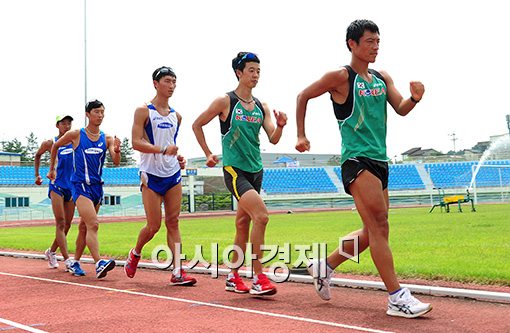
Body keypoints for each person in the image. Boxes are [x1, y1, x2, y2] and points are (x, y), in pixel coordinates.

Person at [295, 19, 432, 318]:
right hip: (357, 160)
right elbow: (303, 95)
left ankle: (325, 266)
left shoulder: (382, 78)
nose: (375, 47)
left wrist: (415, 98)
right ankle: (396, 296)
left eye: (378, 41)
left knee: (375, 230)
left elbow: (401, 108)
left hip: (381, 161)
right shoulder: (340, 77)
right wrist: (301, 134)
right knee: (379, 225)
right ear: (352, 44)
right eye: (369, 41)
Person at [192, 52, 287, 295]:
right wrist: (208, 153)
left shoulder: (260, 106)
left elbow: (273, 139)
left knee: (243, 224)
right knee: (262, 217)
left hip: (256, 169)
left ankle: (233, 276)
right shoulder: (225, 101)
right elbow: (197, 124)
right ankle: (258, 277)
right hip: (235, 170)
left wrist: (282, 126)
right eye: (251, 70)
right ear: (239, 73)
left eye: (258, 71)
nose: (256, 75)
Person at [124, 66, 196, 286]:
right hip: (151, 176)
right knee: (153, 226)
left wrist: (177, 157)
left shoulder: (177, 116)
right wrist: (162, 151)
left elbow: (170, 144)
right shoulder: (143, 111)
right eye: (167, 81)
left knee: (173, 222)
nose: (171, 86)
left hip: (172, 173)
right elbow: (137, 142)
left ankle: (177, 272)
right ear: (155, 83)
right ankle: (135, 253)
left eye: (174, 81)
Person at [48, 99, 120, 279]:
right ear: (88, 114)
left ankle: (76, 261)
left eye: (102, 112)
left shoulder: (107, 138)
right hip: (79, 186)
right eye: (96, 112)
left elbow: (116, 162)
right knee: (93, 224)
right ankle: (98, 263)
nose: (100, 115)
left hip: (97, 187)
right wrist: (52, 168)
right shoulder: (76, 135)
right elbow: (56, 145)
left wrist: (117, 151)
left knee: (83, 227)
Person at [35, 115, 76, 270]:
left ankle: (51, 252)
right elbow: (38, 154)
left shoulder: (74, 141)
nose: (67, 126)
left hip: (71, 187)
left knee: (67, 225)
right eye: (63, 123)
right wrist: (37, 175)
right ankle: (67, 260)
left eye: (69, 123)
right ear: (57, 125)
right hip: (56, 186)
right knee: (60, 222)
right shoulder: (50, 143)